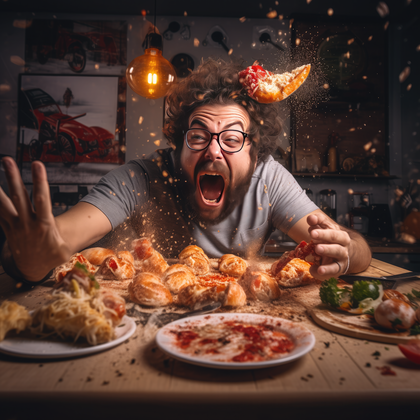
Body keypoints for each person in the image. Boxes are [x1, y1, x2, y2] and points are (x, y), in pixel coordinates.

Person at [0, 59, 371, 283]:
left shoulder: (269, 179)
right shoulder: (141, 177)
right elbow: (55, 241)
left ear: (254, 151)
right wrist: (31, 262)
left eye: (231, 139)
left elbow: (357, 251)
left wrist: (346, 253)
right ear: (177, 145)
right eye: (198, 136)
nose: (212, 150)